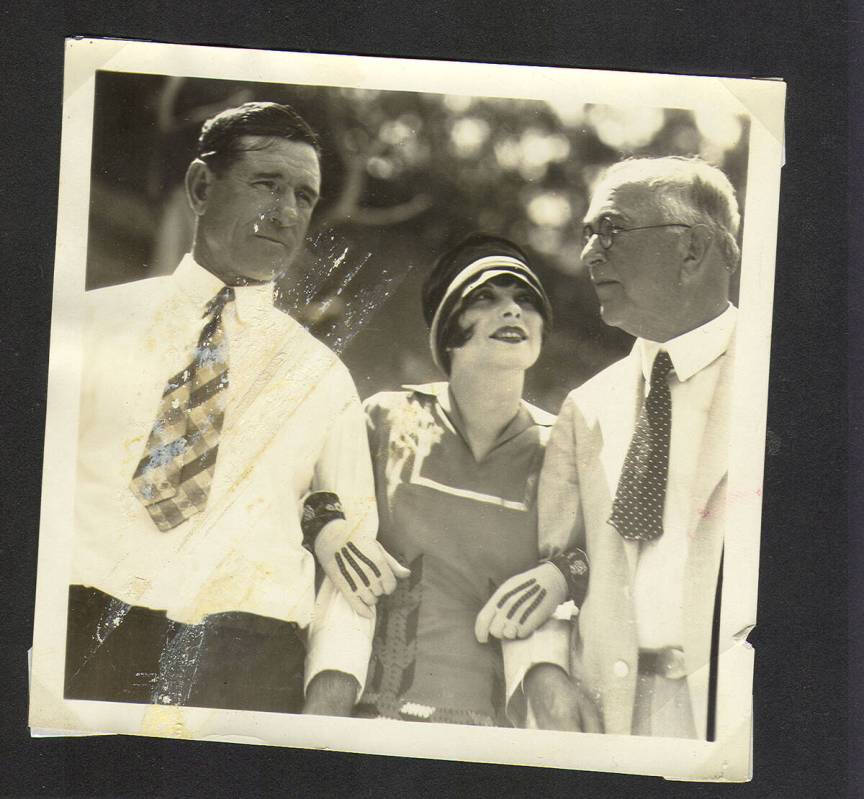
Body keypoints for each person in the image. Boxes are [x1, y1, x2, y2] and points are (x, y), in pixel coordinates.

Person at [64, 102, 405, 716]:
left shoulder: (323, 378)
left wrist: (328, 696)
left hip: (246, 663)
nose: (287, 212)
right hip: (83, 637)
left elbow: (352, 565)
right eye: (267, 184)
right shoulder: (89, 327)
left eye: (304, 196)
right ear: (201, 187)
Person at [475, 156, 742, 739]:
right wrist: (544, 675)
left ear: (692, 249)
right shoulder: (588, 406)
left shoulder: (794, 387)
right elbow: (548, 566)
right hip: (607, 720)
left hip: (739, 723)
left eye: (612, 230)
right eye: (588, 232)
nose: (589, 253)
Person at [349, 233, 572, 726]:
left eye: (526, 300)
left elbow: (598, 558)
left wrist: (567, 571)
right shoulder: (384, 419)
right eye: (486, 298)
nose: (513, 311)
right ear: (450, 330)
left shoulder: (565, 445)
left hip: (499, 738)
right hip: (372, 720)